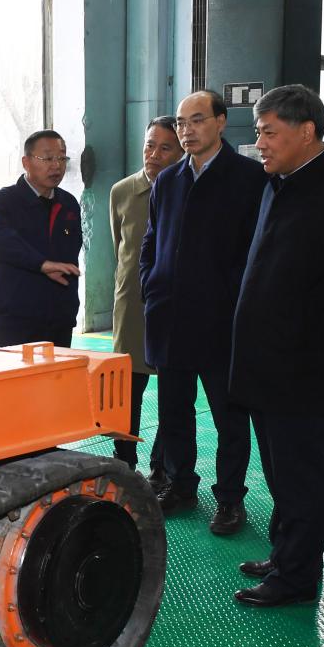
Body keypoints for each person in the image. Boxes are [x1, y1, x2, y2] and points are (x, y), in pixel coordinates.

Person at [230, 85, 324, 606]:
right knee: (280, 474)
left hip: (303, 369)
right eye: (258, 133)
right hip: (264, 363)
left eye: (268, 133)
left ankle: (296, 578)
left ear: (307, 131)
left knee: (302, 478)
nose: (260, 144)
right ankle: (285, 554)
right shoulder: (279, 184)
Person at [141, 90, 265, 537]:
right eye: (181, 122)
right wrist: (151, 282)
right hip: (171, 317)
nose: (186, 130)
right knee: (174, 412)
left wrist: (233, 299)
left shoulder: (249, 178)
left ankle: (230, 498)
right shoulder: (169, 180)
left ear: (220, 122)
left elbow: (256, 250)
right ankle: (180, 485)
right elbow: (152, 240)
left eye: (197, 120)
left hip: (221, 321)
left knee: (230, 417)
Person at [109, 116, 179, 487]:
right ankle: (124, 463)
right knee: (126, 391)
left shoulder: (185, 191)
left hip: (171, 306)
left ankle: (162, 466)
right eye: (150, 144)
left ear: (181, 152)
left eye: (165, 148)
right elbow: (120, 248)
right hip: (132, 305)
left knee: (172, 392)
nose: (153, 154)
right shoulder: (122, 191)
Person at [0, 130, 83, 347]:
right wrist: (42, 264)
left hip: (60, 316)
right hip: (17, 317)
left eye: (62, 158)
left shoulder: (68, 203)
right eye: (48, 158)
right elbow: (1, 243)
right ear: (26, 162)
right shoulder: (3, 201)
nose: (56, 165)